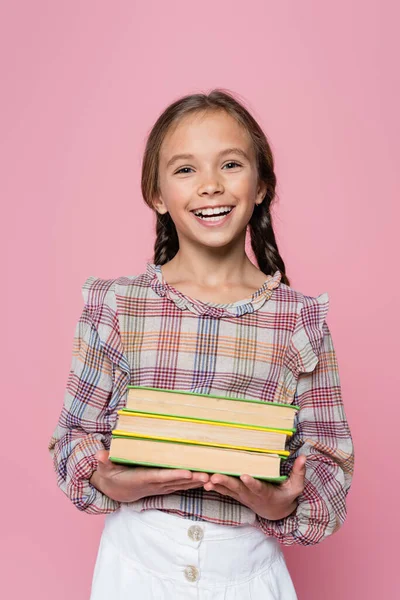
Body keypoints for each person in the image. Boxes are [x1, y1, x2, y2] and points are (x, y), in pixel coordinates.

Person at [48, 89, 354, 599]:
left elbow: (329, 464)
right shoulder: (117, 306)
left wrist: (281, 504)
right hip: (133, 569)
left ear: (261, 186)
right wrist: (109, 481)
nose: (210, 186)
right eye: (185, 169)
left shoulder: (299, 320)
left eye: (230, 164)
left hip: (250, 573)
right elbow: (73, 438)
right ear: (157, 194)